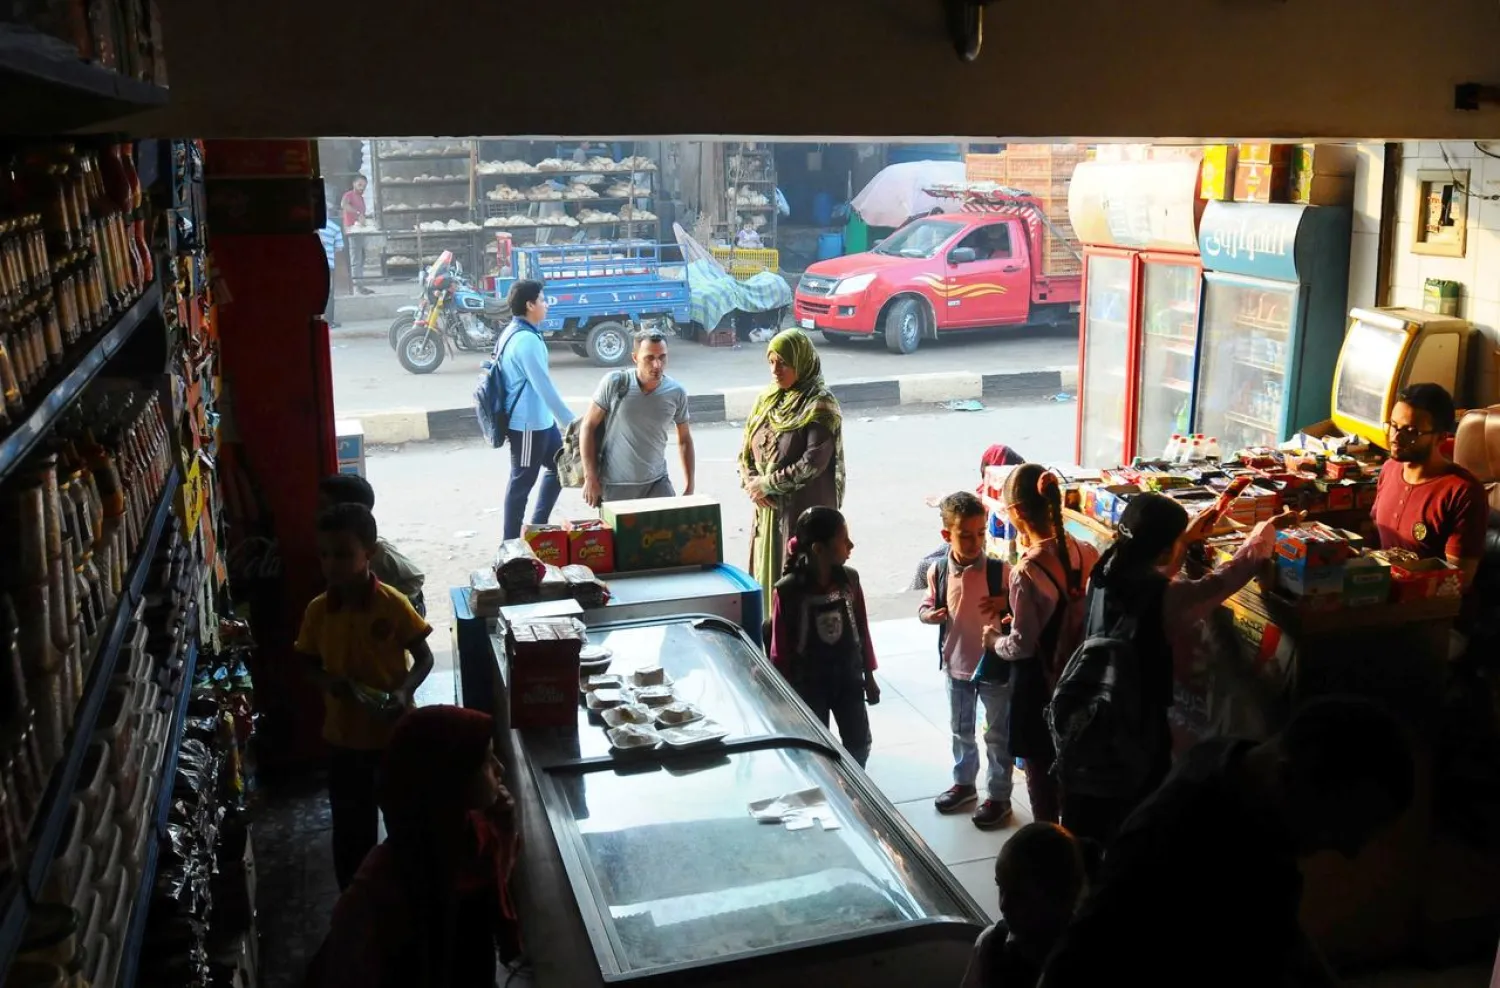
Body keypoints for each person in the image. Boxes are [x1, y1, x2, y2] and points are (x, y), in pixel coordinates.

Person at [1040, 697, 1416, 988]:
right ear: (1287, 778)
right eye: (1341, 825)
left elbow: (1274, 920)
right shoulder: (1172, 841)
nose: (1349, 850)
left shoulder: (1237, 764)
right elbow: (1076, 962)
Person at [1057, 492, 1296, 845]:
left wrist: (1180, 541)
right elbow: (1223, 581)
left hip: (1090, 722)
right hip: (1137, 734)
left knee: (1086, 830)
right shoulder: (1167, 598)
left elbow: (1152, 583)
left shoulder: (1104, 572)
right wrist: (1264, 534)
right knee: (1133, 828)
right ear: (1164, 549)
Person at [304, 705, 521, 988]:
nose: (499, 769)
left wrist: (507, 826)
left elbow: (489, 888)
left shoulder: (471, 835)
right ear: (447, 781)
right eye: (485, 762)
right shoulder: (380, 886)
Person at [296, 504, 434, 890]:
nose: (331, 564)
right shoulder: (318, 611)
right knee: (351, 833)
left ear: (369, 553)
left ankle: (409, 896)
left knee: (405, 823)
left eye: (342, 553)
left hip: (393, 737)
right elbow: (306, 662)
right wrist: (327, 683)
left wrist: (404, 691)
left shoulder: (392, 603)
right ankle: (356, 903)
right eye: (324, 554)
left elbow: (423, 657)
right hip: (343, 741)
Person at [986, 465, 1099, 824]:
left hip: (1041, 686)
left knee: (1039, 767)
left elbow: (1021, 646)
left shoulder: (1028, 570)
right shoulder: (1087, 551)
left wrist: (993, 641)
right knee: (1074, 762)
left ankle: (1047, 838)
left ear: (1018, 513)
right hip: (1082, 677)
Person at [920, 491, 1014, 830]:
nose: (975, 542)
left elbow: (1019, 608)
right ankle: (964, 784)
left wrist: (1006, 602)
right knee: (961, 730)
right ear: (947, 535)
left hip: (994, 666)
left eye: (980, 534)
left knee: (997, 735)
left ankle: (999, 795)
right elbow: (927, 606)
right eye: (965, 534)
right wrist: (929, 615)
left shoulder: (1000, 572)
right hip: (956, 664)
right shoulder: (938, 570)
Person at [739, 328, 845, 603]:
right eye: (771, 362)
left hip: (801, 512)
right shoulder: (767, 399)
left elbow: (813, 462)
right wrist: (751, 483)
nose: (775, 370)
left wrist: (767, 484)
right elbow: (745, 452)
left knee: (797, 581)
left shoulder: (819, 403)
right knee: (766, 579)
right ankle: (768, 638)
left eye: (783, 363)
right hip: (767, 512)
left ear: (802, 362)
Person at [770, 506, 881, 767]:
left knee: (858, 742)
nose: (850, 545)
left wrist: (870, 676)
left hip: (848, 678)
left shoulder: (850, 581)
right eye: (843, 540)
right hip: (809, 684)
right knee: (815, 745)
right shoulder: (787, 591)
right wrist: (783, 695)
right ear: (819, 549)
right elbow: (780, 650)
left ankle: (855, 792)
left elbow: (862, 631)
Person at [1372, 383, 1488, 590]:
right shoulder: (1389, 469)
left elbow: (1457, 582)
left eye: (1411, 431)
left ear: (1441, 437)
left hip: (1429, 611)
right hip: (1384, 593)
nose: (1396, 438)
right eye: (1393, 425)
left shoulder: (1462, 492)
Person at [961, 822, 1090, 988]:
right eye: (1001, 888)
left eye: (1019, 895)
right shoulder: (990, 944)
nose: (1003, 905)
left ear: (1060, 899)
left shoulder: (1074, 963)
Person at [496, 279, 576, 540]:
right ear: (530, 305)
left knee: (560, 466)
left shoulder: (516, 332)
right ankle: (509, 545)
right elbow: (544, 388)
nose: (546, 305)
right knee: (521, 486)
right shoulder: (525, 342)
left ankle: (538, 527)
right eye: (542, 300)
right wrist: (573, 423)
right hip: (528, 426)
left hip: (542, 423)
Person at [579, 328, 695, 507]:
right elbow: (588, 427)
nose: (657, 365)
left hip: (658, 485)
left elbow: (685, 439)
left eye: (662, 357)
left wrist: (690, 485)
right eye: (649, 358)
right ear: (635, 358)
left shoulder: (676, 392)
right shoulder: (615, 383)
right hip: (616, 487)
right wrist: (590, 478)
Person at [912, 444, 1027, 591]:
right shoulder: (999, 492)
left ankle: (913, 598)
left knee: (924, 567)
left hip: (974, 550)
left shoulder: (997, 498)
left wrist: (943, 502)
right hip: (967, 542)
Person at [317, 474, 427, 617]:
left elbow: (415, 578)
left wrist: (390, 603)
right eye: (324, 555)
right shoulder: (318, 608)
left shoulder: (380, 551)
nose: (317, 513)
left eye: (324, 507)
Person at [340, 175, 371, 289]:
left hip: (360, 231)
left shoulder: (361, 198)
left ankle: (360, 284)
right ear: (354, 184)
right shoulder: (349, 195)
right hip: (352, 231)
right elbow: (344, 205)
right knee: (356, 259)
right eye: (360, 185)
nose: (362, 187)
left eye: (364, 186)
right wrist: (358, 214)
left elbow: (362, 215)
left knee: (361, 258)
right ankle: (357, 286)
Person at [318, 213, 343, 328]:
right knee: (329, 292)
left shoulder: (313, 227)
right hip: (328, 264)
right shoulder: (335, 228)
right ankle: (329, 321)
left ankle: (317, 319)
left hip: (313, 264)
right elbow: (339, 248)